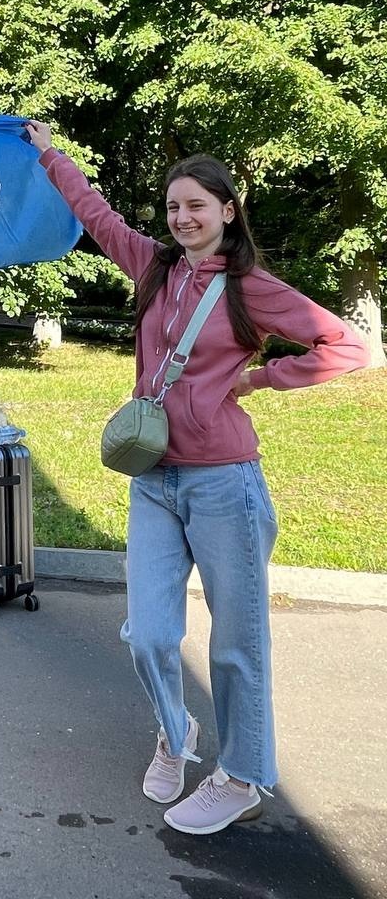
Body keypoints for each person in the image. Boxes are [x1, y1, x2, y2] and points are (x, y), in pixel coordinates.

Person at [25, 121, 369, 835]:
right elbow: (96, 214)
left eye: (197, 207)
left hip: (223, 484)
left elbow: (349, 347)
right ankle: (175, 729)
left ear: (227, 212)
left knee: (236, 643)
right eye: (174, 207)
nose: (183, 218)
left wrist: (262, 379)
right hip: (153, 477)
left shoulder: (252, 288)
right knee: (148, 635)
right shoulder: (153, 266)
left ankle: (242, 777)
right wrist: (51, 154)